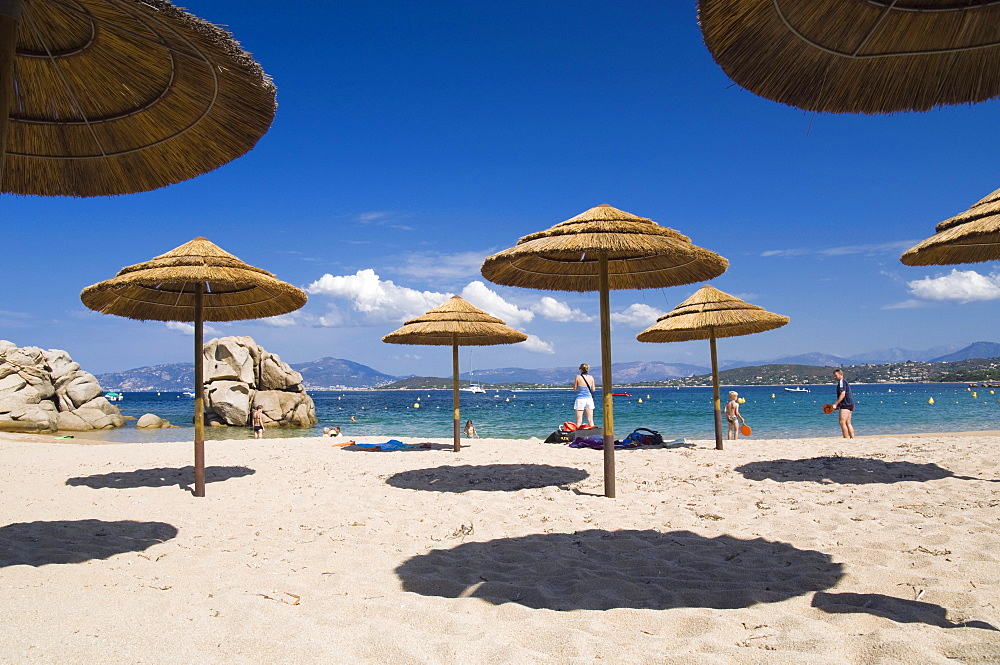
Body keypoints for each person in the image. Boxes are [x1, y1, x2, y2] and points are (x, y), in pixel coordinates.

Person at [832, 369, 855, 439]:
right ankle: (852, 438)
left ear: (841, 374)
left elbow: (843, 394)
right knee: (848, 422)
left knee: (842, 422)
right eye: (834, 376)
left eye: (836, 376)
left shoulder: (842, 382)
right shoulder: (844, 382)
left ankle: (846, 438)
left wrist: (835, 404)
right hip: (850, 404)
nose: (834, 377)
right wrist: (838, 406)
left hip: (846, 405)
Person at [573, 363, 597, 429]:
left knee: (579, 421)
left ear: (580, 369)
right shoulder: (591, 377)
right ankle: (593, 435)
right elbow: (593, 389)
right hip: (589, 399)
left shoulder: (578, 377)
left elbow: (575, 389)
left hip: (580, 399)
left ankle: (577, 436)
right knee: (590, 420)